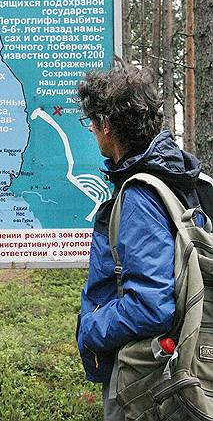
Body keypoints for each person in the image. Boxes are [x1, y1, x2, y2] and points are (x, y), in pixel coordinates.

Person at [75, 64, 213, 420]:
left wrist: (90, 327)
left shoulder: (141, 195)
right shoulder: (192, 180)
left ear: (107, 125)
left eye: (92, 122)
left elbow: (151, 305)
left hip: (152, 377)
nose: (91, 130)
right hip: (196, 359)